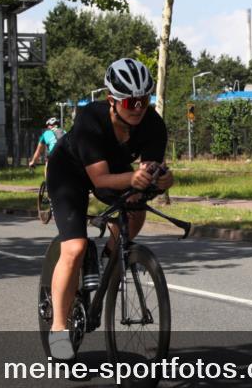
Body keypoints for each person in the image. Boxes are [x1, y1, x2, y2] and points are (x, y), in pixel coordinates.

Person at [45, 58, 174, 359]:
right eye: (131, 101)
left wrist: (164, 178)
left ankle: (108, 259)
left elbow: (149, 170)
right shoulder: (90, 118)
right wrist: (133, 177)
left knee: (136, 208)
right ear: (112, 101)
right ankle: (59, 329)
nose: (139, 107)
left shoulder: (153, 124)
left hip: (112, 170)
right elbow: (99, 178)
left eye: (144, 99)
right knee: (75, 248)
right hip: (69, 173)